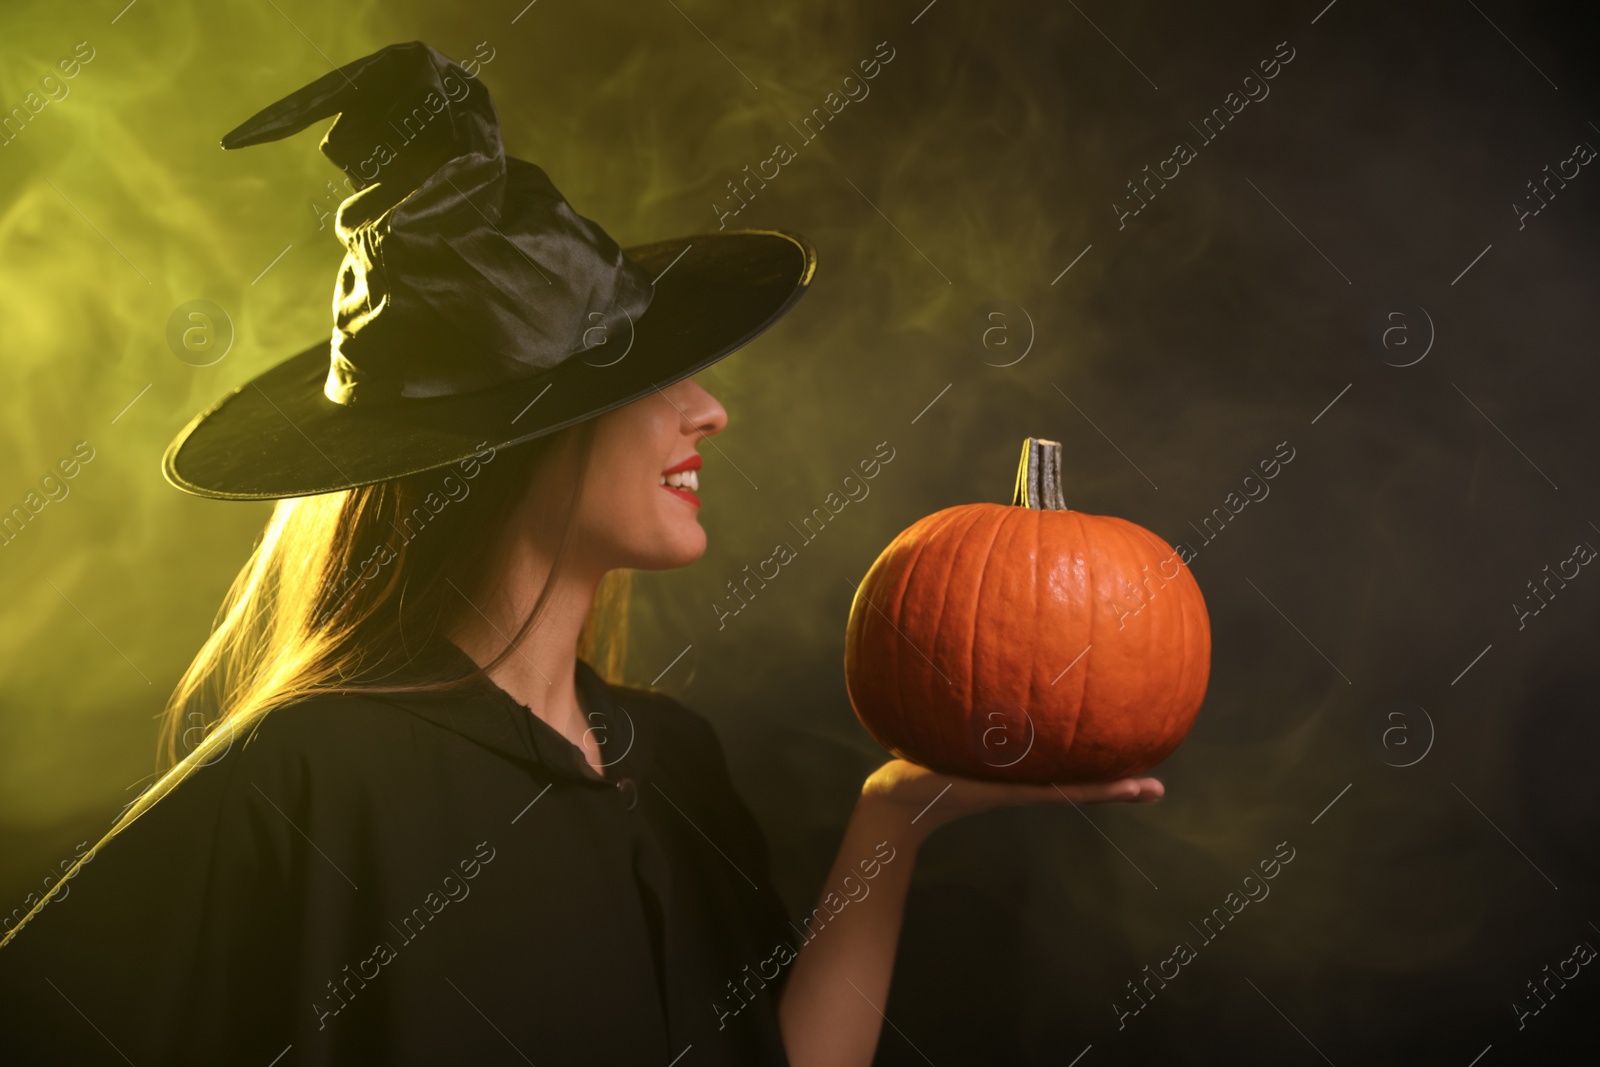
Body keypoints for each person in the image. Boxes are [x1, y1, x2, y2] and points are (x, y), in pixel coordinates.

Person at [0, 42, 1161, 1066]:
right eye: (655, 376)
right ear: (515, 437)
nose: (710, 412)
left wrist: (893, 823)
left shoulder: (675, 761)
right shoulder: (306, 776)